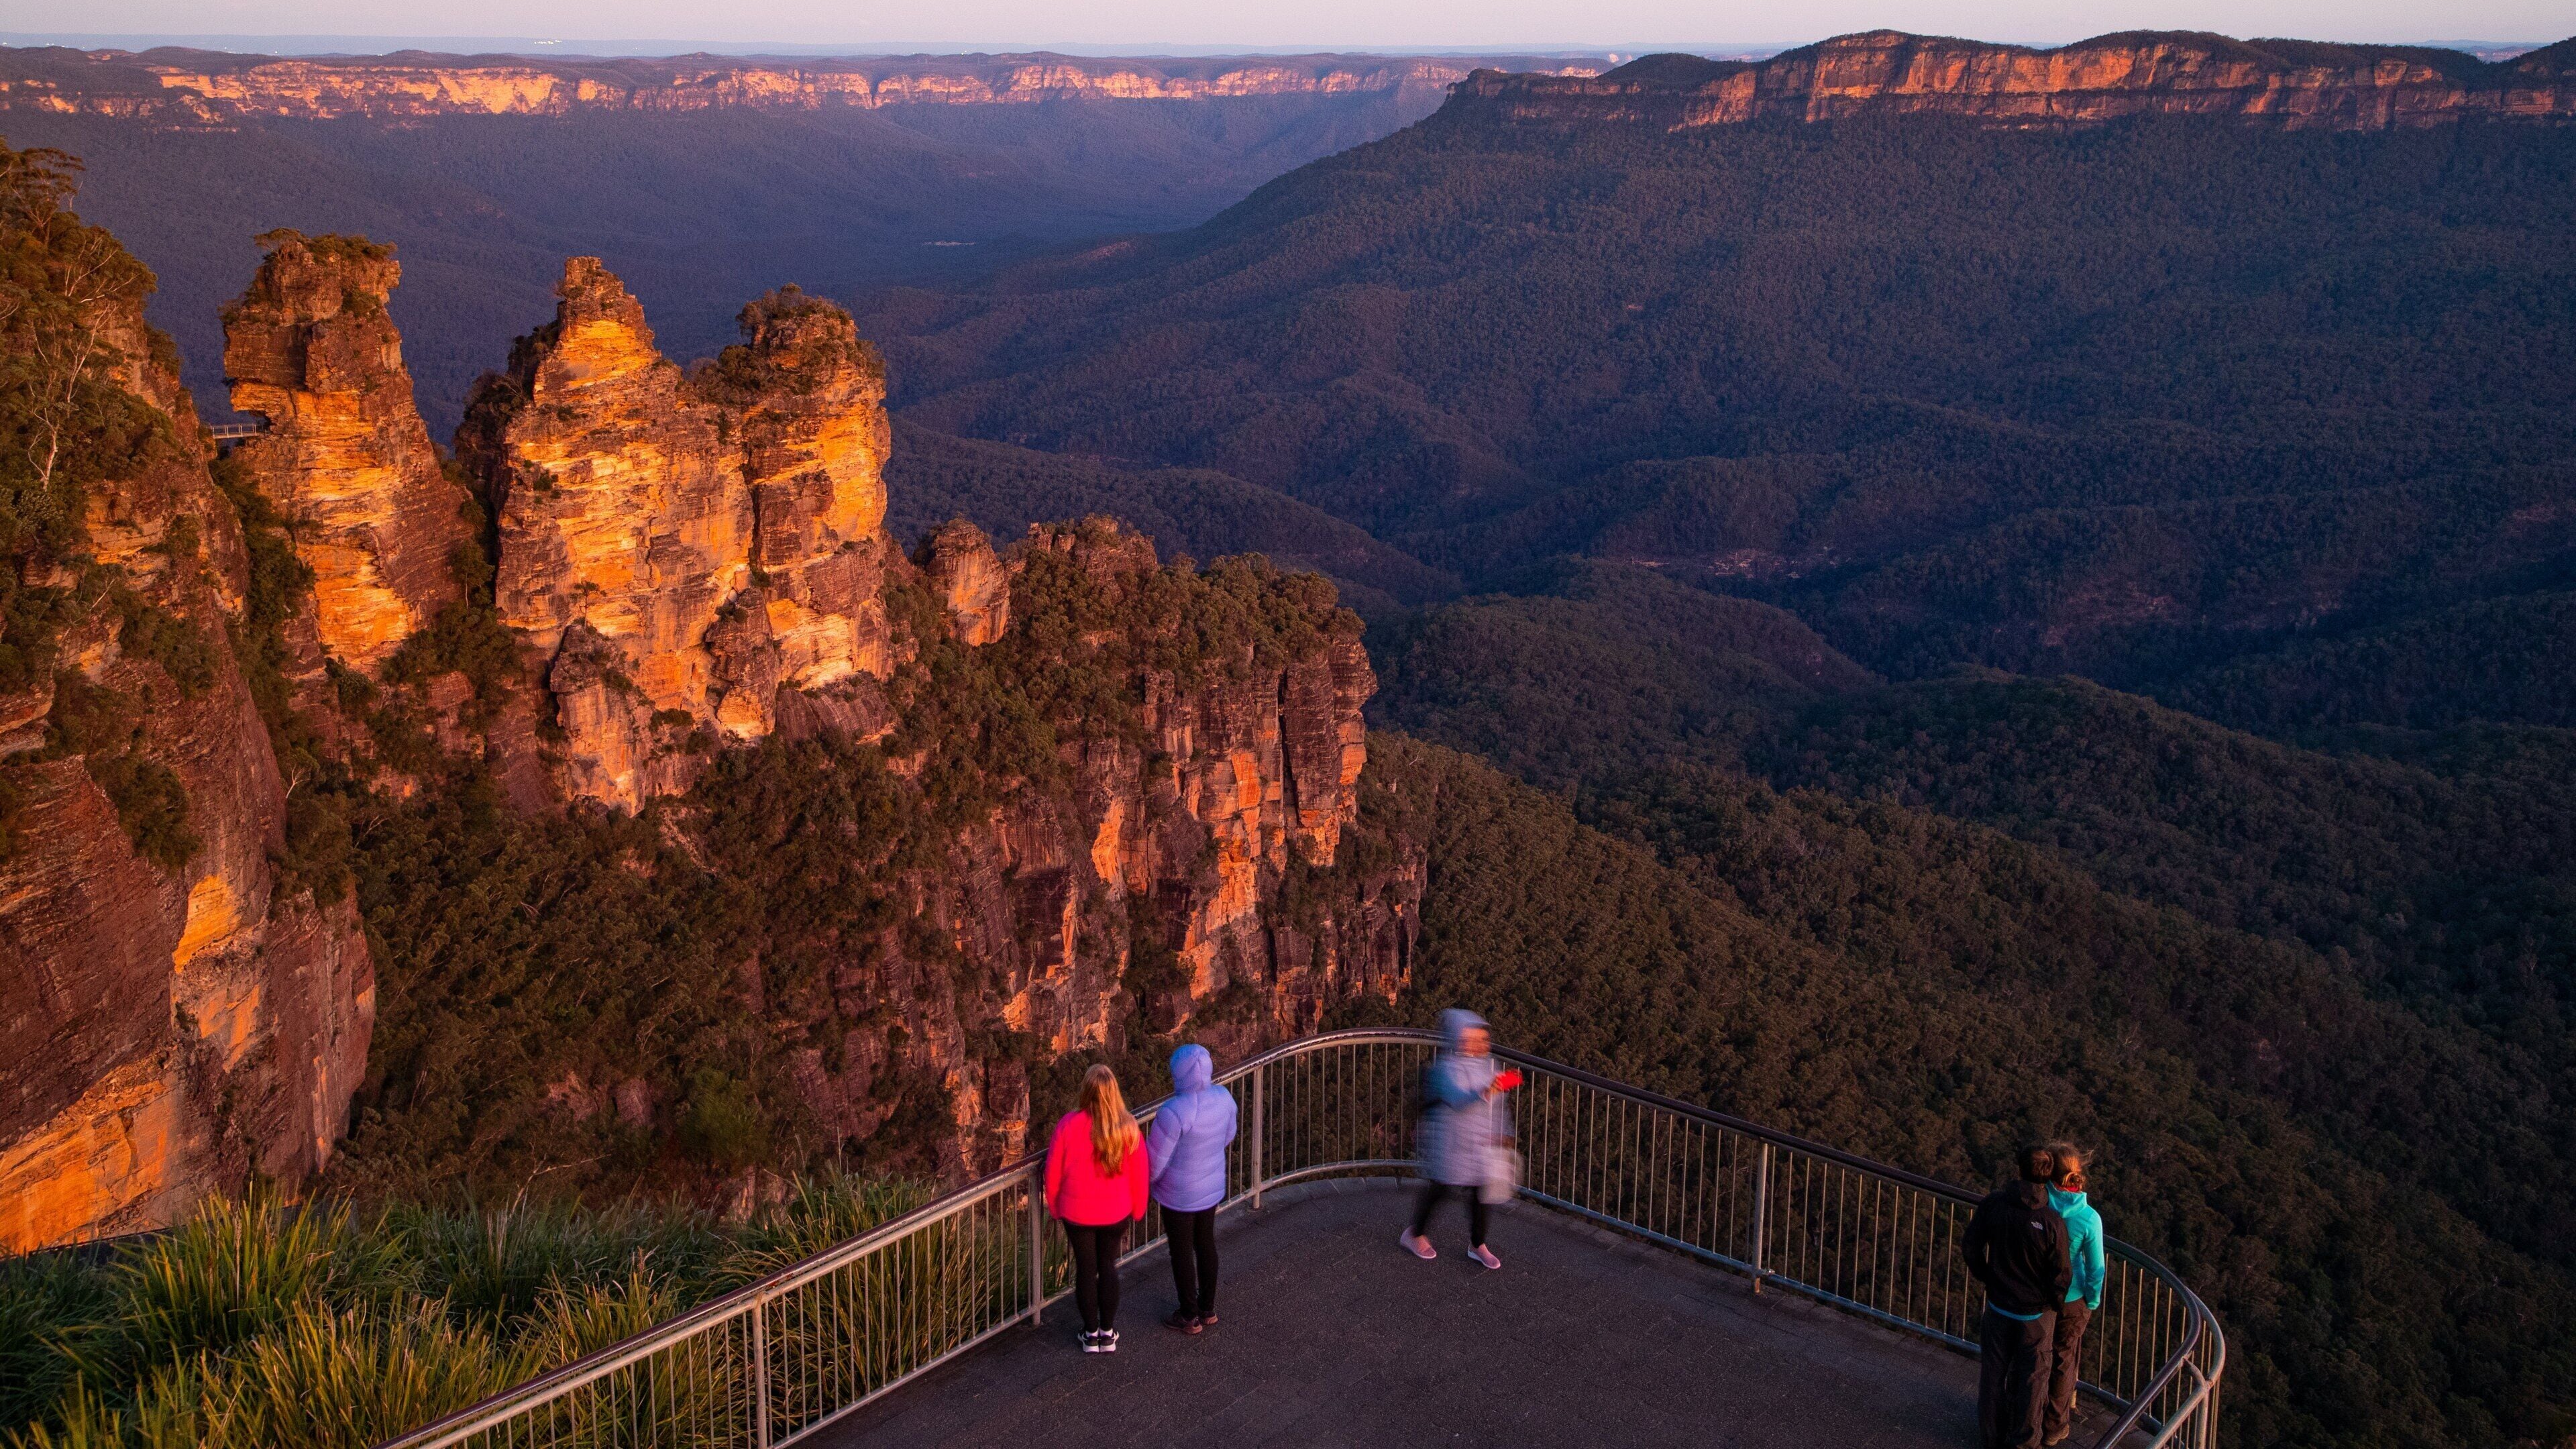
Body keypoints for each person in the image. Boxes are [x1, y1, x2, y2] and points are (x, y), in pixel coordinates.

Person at [1962, 1142, 2074, 1449]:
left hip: (1998, 1307)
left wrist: (1988, 1277)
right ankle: (2023, 1442)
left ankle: (1990, 1436)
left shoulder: (1993, 1205)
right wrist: (2054, 1303)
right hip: (2035, 1316)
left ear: (2018, 1169)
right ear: (2049, 1177)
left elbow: (1970, 1246)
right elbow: (2062, 1274)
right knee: (2033, 1381)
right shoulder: (2052, 1222)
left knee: (1993, 1374)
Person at [1398, 1008, 1522, 1270]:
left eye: (1481, 1039)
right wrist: (1488, 1091)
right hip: (1450, 1142)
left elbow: (1499, 1107)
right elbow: (1457, 1101)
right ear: (1456, 1039)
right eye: (1469, 1039)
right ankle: (1414, 1234)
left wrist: (1505, 1133)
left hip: (1480, 1144)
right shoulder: (1444, 1069)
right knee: (1439, 1190)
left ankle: (1478, 1245)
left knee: (1481, 1195)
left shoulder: (1491, 1066)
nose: (1477, 1045)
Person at [1044, 1063, 1150, 1352]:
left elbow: (1052, 1172)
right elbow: (1141, 1175)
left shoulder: (1068, 1125)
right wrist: (1139, 1210)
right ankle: (1108, 1332)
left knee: (1086, 1269)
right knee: (1107, 1267)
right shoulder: (1128, 1128)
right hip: (1116, 1213)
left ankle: (1090, 1335)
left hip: (1077, 1215)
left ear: (1086, 1092)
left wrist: (1055, 1208)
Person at [1146, 1042, 1238, 1334]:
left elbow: (1155, 1163)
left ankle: (1188, 1316)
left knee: (1182, 1251)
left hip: (1178, 1196)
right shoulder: (1224, 1097)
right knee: (1206, 1243)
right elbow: (1228, 1135)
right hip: (1210, 1188)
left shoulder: (1173, 1111)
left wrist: (1147, 1184)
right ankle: (1207, 1309)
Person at [2042, 1142, 2107, 1448]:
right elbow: (2096, 1269)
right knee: (2063, 1362)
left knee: (2034, 1357)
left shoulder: (2039, 1201)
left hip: (2037, 1297)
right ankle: (2054, 1427)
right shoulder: (2088, 1217)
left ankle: (2025, 1416)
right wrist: (2091, 1301)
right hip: (2073, 1298)